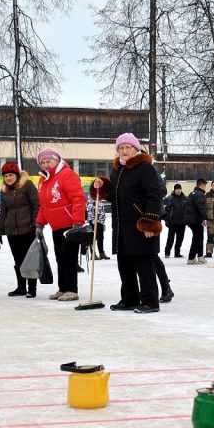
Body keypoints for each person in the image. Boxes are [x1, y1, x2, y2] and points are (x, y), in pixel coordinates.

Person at [91, 133, 164, 313]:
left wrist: (149, 223)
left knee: (143, 265)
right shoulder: (117, 170)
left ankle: (150, 302)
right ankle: (130, 298)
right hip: (122, 227)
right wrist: (101, 186)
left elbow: (154, 195)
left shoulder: (144, 168)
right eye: (121, 148)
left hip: (140, 225)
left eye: (128, 147)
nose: (124, 151)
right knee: (125, 265)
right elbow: (115, 195)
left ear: (135, 149)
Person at [36, 147, 87, 302]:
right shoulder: (44, 180)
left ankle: (72, 289)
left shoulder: (67, 175)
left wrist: (78, 220)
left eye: (48, 161)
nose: (46, 165)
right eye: (43, 162)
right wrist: (39, 223)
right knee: (60, 258)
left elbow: (78, 198)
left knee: (69, 258)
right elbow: (44, 205)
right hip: (56, 226)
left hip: (70, 225)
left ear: (57, 161)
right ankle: (63, 288)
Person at [0, 162, 40, 298]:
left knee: (29, 260)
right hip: (11, 231)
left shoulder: (27, 185)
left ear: (17, 175)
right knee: (18, 261)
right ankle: (21, 287)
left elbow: (36, 205)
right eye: (6, 176)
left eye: (10, 175)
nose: (8, 178)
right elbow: (3, 211)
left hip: (27, 229)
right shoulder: (4, 190)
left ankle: (31, 289)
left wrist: (35, 224)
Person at [185, 178, 208, 264]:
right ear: (202, 185)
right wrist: (205, 218)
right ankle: (191, 258)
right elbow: (201, 208)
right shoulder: (199, 194)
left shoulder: (192, 193)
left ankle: (200, 256)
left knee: (199, 237)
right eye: (205, 186)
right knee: (197, 238)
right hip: (195, 220)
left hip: (192, 219)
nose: (205, 188)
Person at [163, 184, 187, 258]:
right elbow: (164, 211)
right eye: (177, 189)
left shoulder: (185, 198)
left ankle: (177, 253)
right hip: (172, 222)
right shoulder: (169, 199)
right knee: (170, 238)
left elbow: (188, 210)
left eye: (179, 189)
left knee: (180, 238)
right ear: (174, 190)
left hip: (182, 222)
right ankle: (167, 252)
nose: (178, 190)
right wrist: (167, 220)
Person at [86, 195, 109, 260]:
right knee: (92, 238)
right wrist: (93, 220)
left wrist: (102, 221)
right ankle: (93, 254)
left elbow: (102, 211)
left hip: (100, 222)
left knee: (101, 238)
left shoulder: (99, 198)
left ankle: (101, 253)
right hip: (93, 222)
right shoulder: (91, 200)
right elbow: (89, 210)